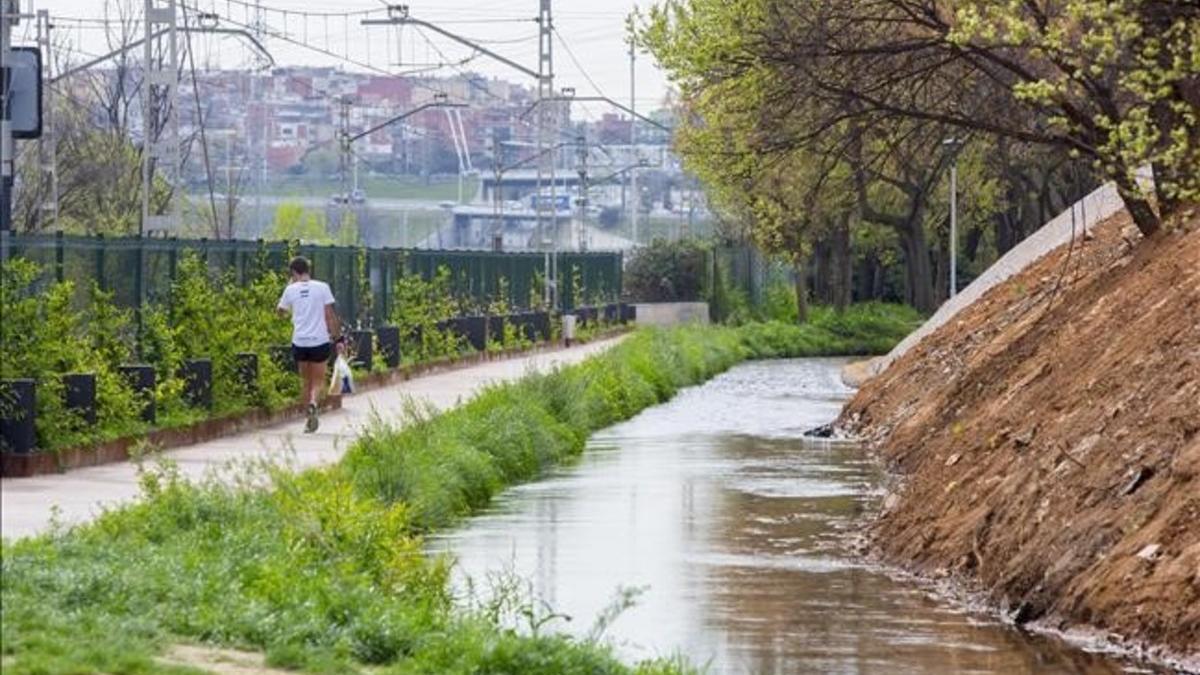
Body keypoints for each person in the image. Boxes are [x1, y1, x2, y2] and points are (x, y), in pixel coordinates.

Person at [277, 256, 340, 433]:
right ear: (308, 270)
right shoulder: (322, 287)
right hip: (319, 341)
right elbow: (329, 315)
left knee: (306, 381)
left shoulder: (290, 290)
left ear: (293, 272)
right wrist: (338, 338)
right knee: (318, 380)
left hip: (300, 342)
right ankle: (313, 402)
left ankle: (308, 419)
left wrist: (290, 286)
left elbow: (280, 313)